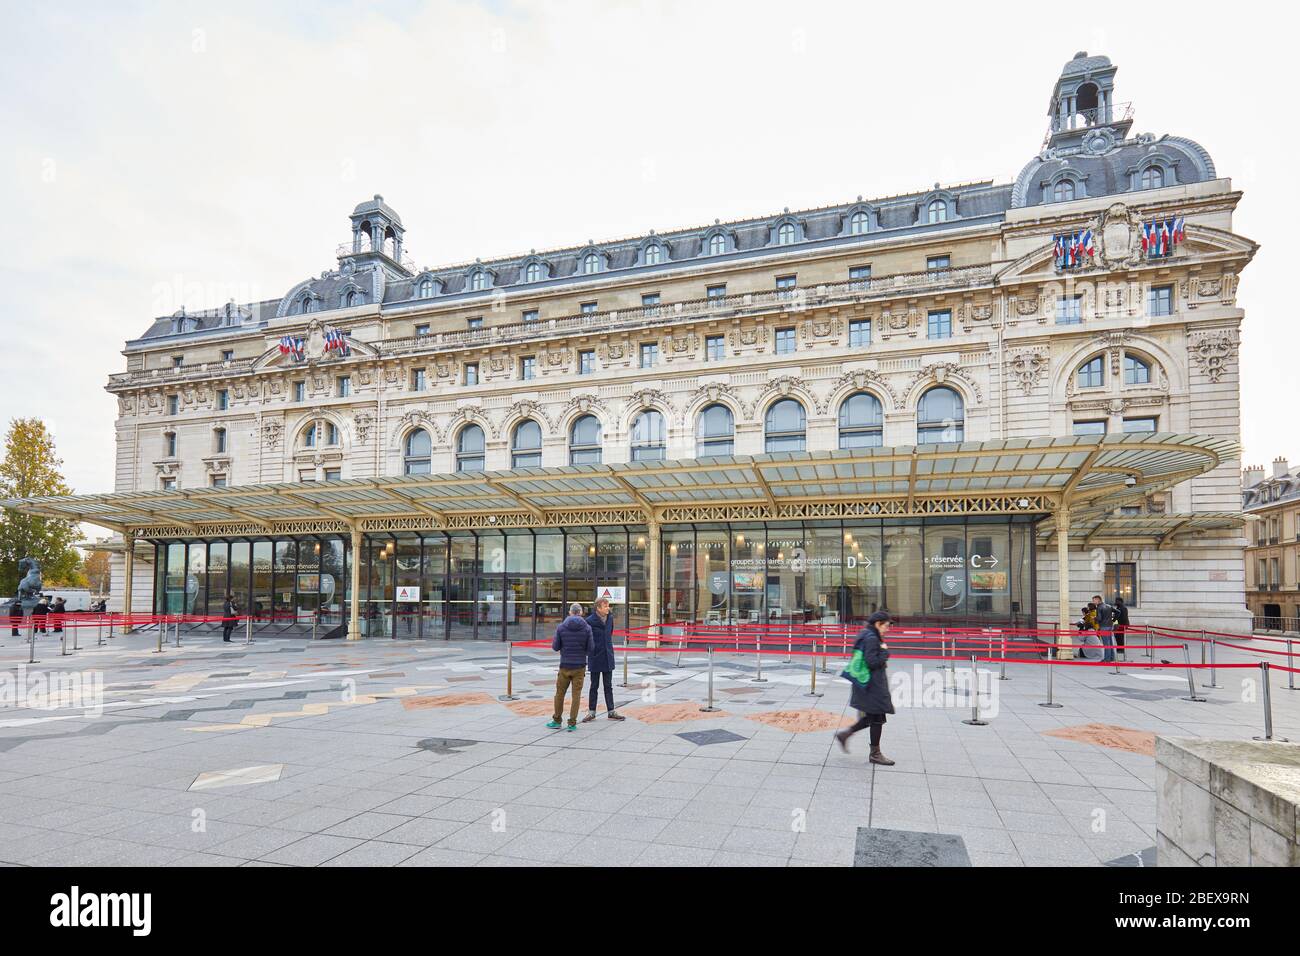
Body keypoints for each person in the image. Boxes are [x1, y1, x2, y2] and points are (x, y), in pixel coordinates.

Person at [834, 610, 896, 765]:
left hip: (867, 685)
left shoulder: (867, 634)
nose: (888, 629)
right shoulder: (872, 638)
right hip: (872, 686)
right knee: (876, 719)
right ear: (878, 624)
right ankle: (875, 754)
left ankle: (845, 735)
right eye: (886, 625)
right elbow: (872, 662)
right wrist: (885, 652)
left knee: (873, 718)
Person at [548, 603, 592, 732]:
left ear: (570, 612)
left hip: (565, 665)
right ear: (581, 613)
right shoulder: (587, 628)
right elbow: (591, 648)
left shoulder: (561, 627)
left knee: (559, 694)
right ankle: (572, 723)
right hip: (579, 666)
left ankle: (557, 720)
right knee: (576, 695)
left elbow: (555, 647)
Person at [582, 597, 624, 723]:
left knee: (608, 685)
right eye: (605, 606)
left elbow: (609, 633)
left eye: (608, 606)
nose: (608, 608)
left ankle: (611, 711)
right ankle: (591, 712)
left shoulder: (610, 618)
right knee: (594, 685)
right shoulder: (589, 621)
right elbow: (586, 639)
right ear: (598, 608)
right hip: (595, 657)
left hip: (607, 656)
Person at [1092, 594, 1116, 664]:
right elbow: (1118, 612)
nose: (1093, 602)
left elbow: (1099, 618)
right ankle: (1112, 657)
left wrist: (1094, 618)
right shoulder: (1109, 606)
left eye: (1094, 600)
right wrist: (1113, 620)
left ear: (1098, 600)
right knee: (1110, 642)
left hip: (1103, 626)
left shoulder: (1099, 607)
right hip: (1110, 626)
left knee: (1106, 643)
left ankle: (1107, 659)